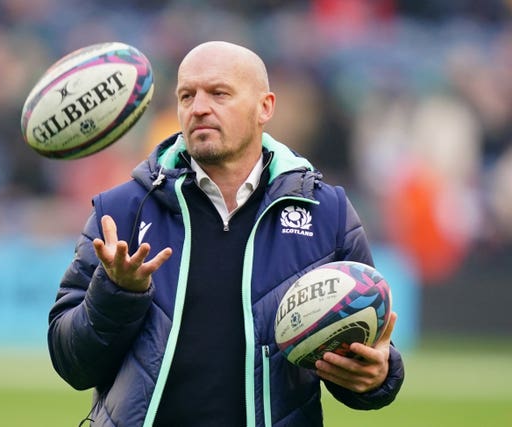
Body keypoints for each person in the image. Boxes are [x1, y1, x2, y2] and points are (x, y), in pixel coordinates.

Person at [48, 41, 405, 426]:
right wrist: (116, 293)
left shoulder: (326, 212)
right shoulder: (121, 211)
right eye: (187, 95)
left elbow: (368, 351)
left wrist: (377, 377)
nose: (199, 107)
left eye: (219, 93)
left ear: (264, 107)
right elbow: (72, 364)